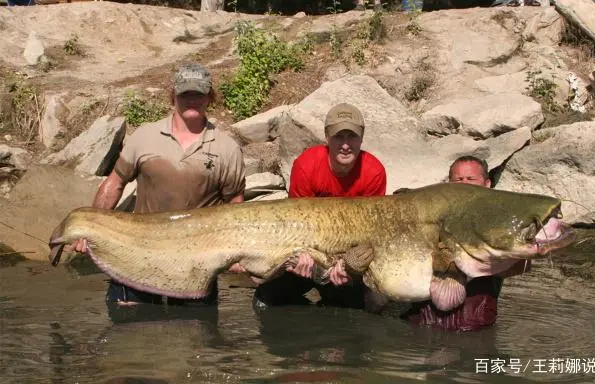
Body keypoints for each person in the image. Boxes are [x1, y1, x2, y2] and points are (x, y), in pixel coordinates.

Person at [71, 63, 246, 308]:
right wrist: (90, 228)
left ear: (210, 97)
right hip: (137, 254)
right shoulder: (145, 136)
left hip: (195, 263)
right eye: (185, 94)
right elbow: (114, 184)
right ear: (173, 96)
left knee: (194, 338)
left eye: (199, 94)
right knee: (127, 330)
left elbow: (236, 207)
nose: (192, 100)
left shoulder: (227, 148)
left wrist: (236, 252)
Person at [252, 102, 387, 311]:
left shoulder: (373, 172)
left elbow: (373, 234)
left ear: (361, 138)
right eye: (338, 137)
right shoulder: (306, 166)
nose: (345, 144)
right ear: (327, 137)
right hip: (310, 252)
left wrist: (347, 266)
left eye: (351, 137)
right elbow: (294, 225)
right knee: (265, 299)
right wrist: (300, 256)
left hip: (348, 259)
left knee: (370, 306)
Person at [400, 155, 530, 331]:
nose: (464, 184)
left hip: (474, 324)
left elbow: (523, 265)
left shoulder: (500, 221)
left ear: (487, 184)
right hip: (423, 319)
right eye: (458, 180)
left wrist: (476, 263)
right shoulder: (430, 217)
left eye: (471, 179)